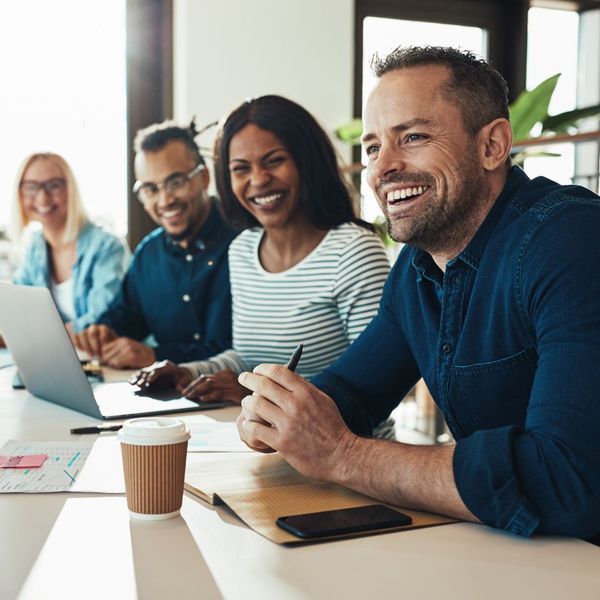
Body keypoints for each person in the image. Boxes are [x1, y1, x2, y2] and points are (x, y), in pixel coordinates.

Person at [235, 46, 600, 539]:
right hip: (513, 554)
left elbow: (564, 480)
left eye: (413, 136)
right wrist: (282, 411)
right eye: (371, 147)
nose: (383, 168)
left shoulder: (568, 239)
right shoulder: (418, 265)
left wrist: (342, 454)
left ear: (493, 145)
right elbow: (354, 392)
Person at [130, 95, 390, 405]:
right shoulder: (243, 249)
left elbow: (376, 382)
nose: (258, 180)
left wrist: (256, 393)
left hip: (339, 449)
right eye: (241, 169)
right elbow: (246, 358)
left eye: (274, 161)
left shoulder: (353, 251)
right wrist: (186, 372)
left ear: (306, 161)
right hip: (256, 441)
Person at [72, 120, 237, 369]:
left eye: (176, 182)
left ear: (203, 177)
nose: (165, 200)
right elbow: (125, 315)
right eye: (150, 189)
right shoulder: (148, 254)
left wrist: (156, 356)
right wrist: (105, 331)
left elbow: (240, 351)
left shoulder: (245, 244)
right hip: (166, 398)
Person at [5, 152, 128, 341]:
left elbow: (101, 321)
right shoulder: (35, 246)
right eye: (31, 187)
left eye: (53, 186)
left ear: (71, 189)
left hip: (107, 361)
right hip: (59, 356)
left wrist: (43, 335)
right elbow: (21, 310)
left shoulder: (107, 247)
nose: (42, 197)